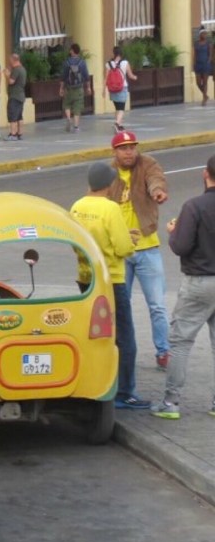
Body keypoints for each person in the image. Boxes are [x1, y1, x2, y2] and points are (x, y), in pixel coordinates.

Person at [70, 162, 147, 408]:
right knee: (124, 337)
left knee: (96, 334)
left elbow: (75, 241)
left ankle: (96, 383)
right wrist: (131, 241)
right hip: (111, 279)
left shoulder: (77, 206)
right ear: (109, 184)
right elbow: (123, 248)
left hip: (86, 278)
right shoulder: (110, 208)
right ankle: (125, 392)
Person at [151, 154, 215, 420]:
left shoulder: (194, 206)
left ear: (205, 173)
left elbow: (181, 246)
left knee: (180, 342)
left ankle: (171, 402)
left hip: (199, 282)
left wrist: (172, 232)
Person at [107, 130, 170, 369]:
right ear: (115, 151)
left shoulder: (147, 164)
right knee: (120, 306)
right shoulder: (109, 172)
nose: (129, 152)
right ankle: (119, 351)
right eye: (124, 148)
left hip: (147, 247)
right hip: (120, 252)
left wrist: (157, 191)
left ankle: (163, 351)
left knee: (157, 305)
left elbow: (156, 179)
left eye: (132, 147)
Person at [60, 43, 90, 134]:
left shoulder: (67, 62)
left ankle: (69, 119)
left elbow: (63, 77)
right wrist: (88, 87)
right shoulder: (82, 62)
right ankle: (76, 127)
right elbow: (86, 76)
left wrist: (61, 88)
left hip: (69, 88)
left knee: (67, 104)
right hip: (79, 88)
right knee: (77, 107)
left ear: (72, 51)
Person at [105, 47, 137, 129]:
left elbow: (106, 78)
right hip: (122, 87)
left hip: (112, 88)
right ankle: (117, 123)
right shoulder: (125, 63)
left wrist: (103, 89)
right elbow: (130, 75)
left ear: (114, 53)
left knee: (117, 108)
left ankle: (119, 125)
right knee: (121, 109)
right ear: (121, 53)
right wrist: (135, 77)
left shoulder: (109, 64)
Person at [5, 53, 27, 140]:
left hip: (15, 96)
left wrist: (7, 75)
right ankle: (19, 133)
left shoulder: (16, 70)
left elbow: (11, 81)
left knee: (13, 115)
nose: (9, 62)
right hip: (21, 95)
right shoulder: (22, 69)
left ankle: (13, 134)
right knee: (19, 116)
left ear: (13, 60)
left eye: (10, 60)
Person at [193, 30, 212, 105]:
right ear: (200, 35)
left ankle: (204, 99)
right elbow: (195, 54)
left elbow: (210, 54)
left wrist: (208, 62)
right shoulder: (196, 43)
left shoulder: (208, 43)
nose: (205, 35)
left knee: (205, 82)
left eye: (205, 34)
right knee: (198, 83)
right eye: (203, 34)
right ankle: (205, 95)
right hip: (198, 64)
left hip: (205, 64)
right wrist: (194, 63)